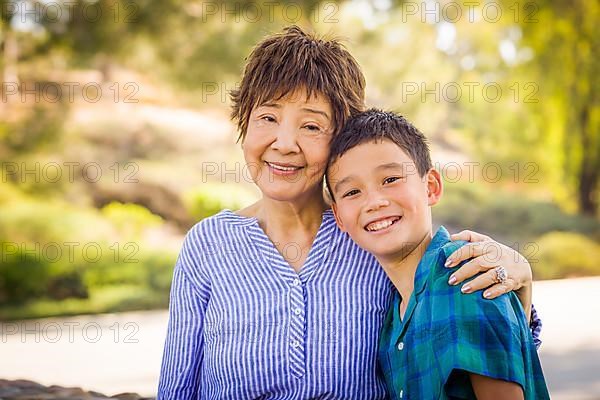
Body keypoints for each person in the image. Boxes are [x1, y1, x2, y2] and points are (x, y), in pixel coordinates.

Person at [158, 26, 540, 399]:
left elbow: (465, 338)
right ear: (244, 123)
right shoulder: (208, 246)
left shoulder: (372, 235)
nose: (285, 143)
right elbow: (177, 388)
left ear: (339, 139)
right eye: (267, 118)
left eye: (310, 125)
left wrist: (521, 286)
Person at [326, 109, 549, 399]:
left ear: (430, 187)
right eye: (352, 192)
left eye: (390, 179)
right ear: (339, 217)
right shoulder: (393, 315)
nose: (374, 202)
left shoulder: (463, 273)